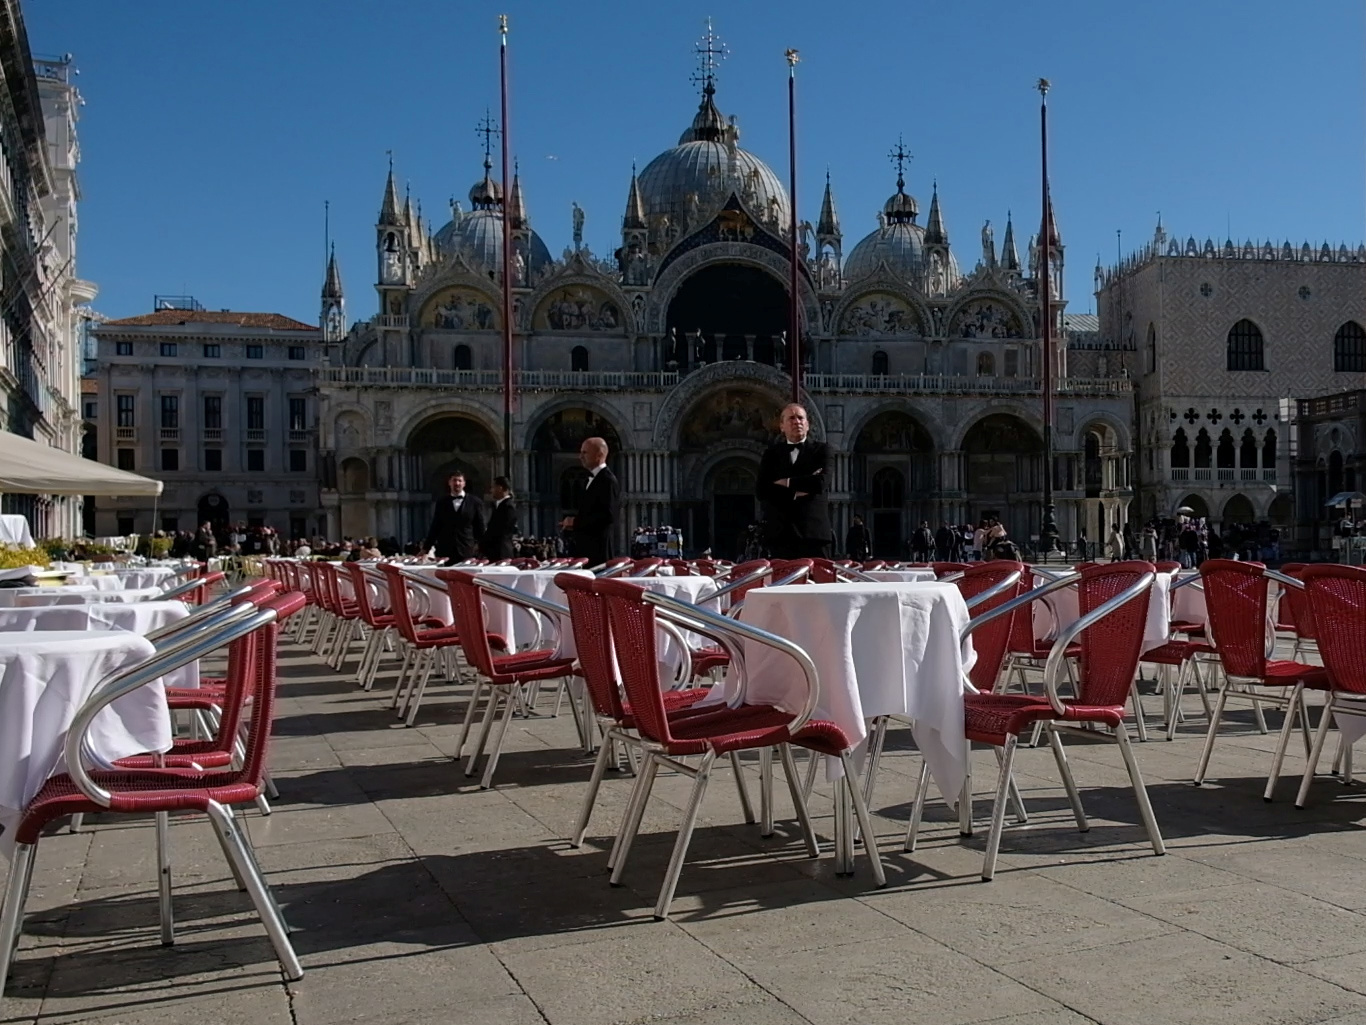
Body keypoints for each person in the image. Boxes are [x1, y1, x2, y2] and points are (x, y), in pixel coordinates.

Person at [756, 404, 832, 559]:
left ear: (807, 425)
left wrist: (786, 482)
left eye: (800, 418)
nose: (797, 421)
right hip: (780, 535)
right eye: (791, 418)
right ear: (782, 426)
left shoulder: (822, 450)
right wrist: (801, 487)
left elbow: (821, 483)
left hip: (813, 534)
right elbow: (762, 490)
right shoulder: (771, 454)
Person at [561, 437, 620, 566]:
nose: (580, 457)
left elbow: (607, 516)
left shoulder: (607, 480)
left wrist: (575, 522)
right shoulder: (595, 478)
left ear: (599, 455)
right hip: (586, 551)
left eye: (585, 452)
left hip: (598, 553)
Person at [423, 471, 487, 564]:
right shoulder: (441, 502)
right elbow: (435, 526)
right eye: (454, 480)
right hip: (445, 550)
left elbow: (480, 527)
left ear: (464, 483)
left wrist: (483, 547)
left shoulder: (475, 502)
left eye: (460, 481)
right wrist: (426, 548)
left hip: (467, 550)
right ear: (449, 483)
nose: (457, 483)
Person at [481, 475, 519, 560]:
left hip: (501, 553)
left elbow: (500, 531)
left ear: (500, 488)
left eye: (493, 487)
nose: (491, 490)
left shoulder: (508, 507)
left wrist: (483, 543)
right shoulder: (500, 505)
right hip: (495, 552)